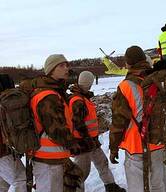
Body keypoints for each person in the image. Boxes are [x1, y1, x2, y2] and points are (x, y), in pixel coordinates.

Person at [109, 46, 166, 192]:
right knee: (158, 185)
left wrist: (114, 147)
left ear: (128, 64)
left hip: (136, 146)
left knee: (137, 187)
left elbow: (118, 122)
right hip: (158, 143)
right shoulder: (158, 79)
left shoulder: (125, 86)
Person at [29, 54, 81, 192]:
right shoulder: (48, 96)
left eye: (67, 65)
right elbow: (56, 129)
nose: (66, 69)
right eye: (61, 65)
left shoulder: (54, 92)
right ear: (51, 69)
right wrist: (72, 144)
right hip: (47, 159)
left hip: (52, 157)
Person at [69, 71, 125, 192]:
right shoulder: (78, 100)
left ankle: (111, 186)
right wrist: (86, 139)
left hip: (91, 141)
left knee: (102, 163)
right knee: (81, 172)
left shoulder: (83, 98)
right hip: (83, 143)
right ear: (88, 83)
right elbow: (78, 123)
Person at [0, 74, 27, 192]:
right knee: (21, 179)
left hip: (5, 151)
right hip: (2, 153)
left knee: (2, 184)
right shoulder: (4, 106)